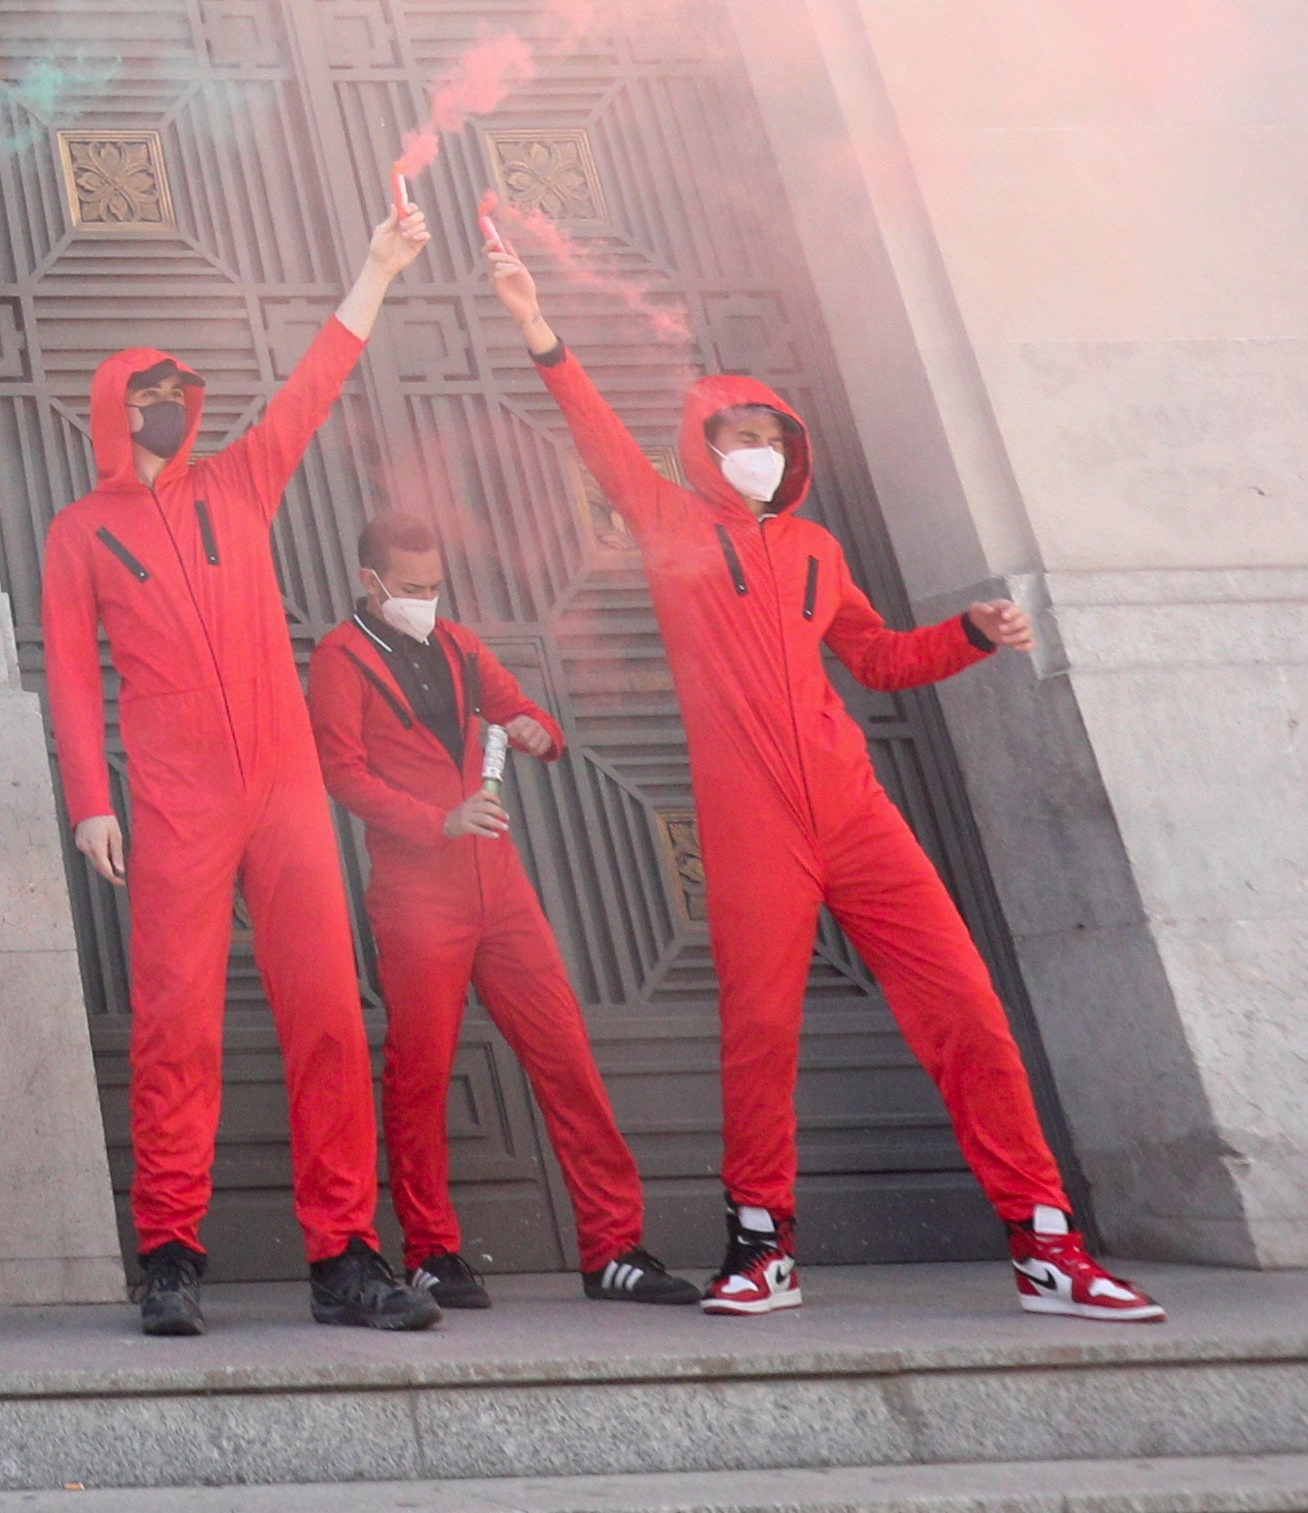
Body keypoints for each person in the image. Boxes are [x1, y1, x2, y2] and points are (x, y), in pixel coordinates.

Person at [484, 239, 1163, 1323]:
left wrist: (969, 634)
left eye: (769, 437)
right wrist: (535, 322)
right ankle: (763, 1245)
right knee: (761, 1027)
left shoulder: (818, 548)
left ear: (792, 452)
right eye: (735, 436)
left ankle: (1046, 1241)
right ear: (702, 448)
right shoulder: (669, 523)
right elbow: (596, 434)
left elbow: (884, 660)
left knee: (968, 1007)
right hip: (754, 820)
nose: (754, 451)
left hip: (855, 808)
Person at [44, 203, 442, 1336]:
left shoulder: (241, 478)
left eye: (178, 388)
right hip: (174, 801)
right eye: (146, 393)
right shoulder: (80, 531)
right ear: (113, 415)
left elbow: (317, 379)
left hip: (285, 790)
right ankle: (169, 1254)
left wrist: (375, 264)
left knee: (325, 1011)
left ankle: (347, 1254)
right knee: (178, 1024)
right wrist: (90, 801)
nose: (168, 406)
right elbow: (73, 675)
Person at [305, 507, 701, 1313]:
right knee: (419, 1074)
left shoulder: (460, 645)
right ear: (368, 581)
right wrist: (435, 821)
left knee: (567, 1057)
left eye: (434, 584)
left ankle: (613, 1246)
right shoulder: (339, 658)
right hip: (418, 894)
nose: (426, 597)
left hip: (502, 888)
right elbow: (339, 772)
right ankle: (431, 1251)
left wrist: (535, 731)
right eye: (410, 587)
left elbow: (537, 719)